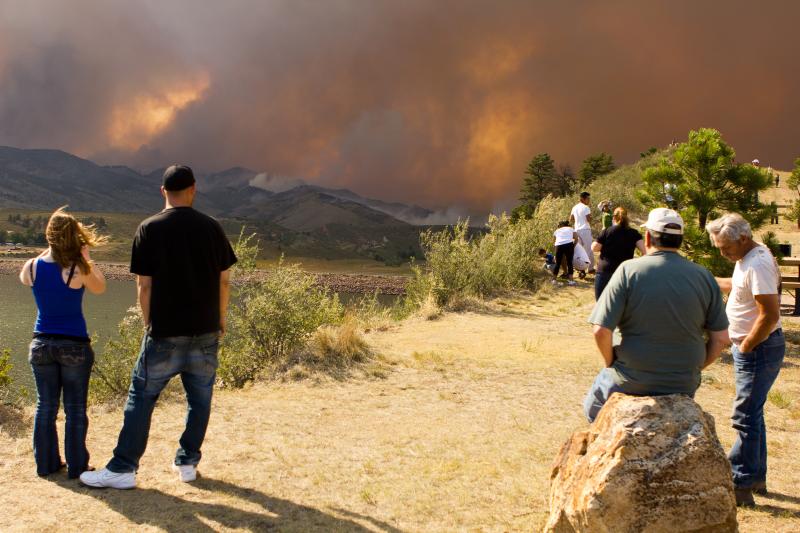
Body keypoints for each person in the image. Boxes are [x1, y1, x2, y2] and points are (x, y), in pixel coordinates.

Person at [81, 165, 237, 489]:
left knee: (141, 398)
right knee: (200, 400)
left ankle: (124, 468)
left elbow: (144, 286)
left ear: (162, 191)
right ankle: (188, 462)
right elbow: (224, 282)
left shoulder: (149, 228)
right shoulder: (213, 228)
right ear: (194, 189)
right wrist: (220, 319)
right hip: (206, 332)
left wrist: (147, 323)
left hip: (165, 331)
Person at [583, 208, 729, 422]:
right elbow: (722, 339)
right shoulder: (704, 276)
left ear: (649, 236)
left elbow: (601, 330)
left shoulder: (628, 271)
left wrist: (611, 363)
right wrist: (692, 370)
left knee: (592, 411)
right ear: (680, 240)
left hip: (630, 377)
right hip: (684, 383)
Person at [19, 207, 107, 478]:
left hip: (41, 344)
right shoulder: (77, 270)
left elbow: (26, 282)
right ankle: (77, 467)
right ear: (74, 237)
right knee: (75, 409)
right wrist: (85, 259)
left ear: (49, 235)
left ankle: (46, 465)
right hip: (74, 346)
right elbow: (100, 288)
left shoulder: (31, 266)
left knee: (45, 407)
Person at [706, 213, 785, 507]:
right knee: (754, 413)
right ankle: (756, 476)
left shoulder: (759, 263)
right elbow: (740, 286)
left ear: (742, 238)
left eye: (726, 248)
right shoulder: (746, 259)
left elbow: (770, 314)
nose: (723, 253)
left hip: (758, 348)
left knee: (745, 415)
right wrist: (709, 280)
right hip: (754, 347)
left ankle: (740, 481)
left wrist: (748, 345)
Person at [591, 207, 646, 300]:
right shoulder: (634, 233)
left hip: (605, 270)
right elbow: (645, 251)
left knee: (601, 303)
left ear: (614, 218)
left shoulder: (607, 231)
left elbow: (595, 248)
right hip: (625, 272)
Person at [570, 192, 595, 273]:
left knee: (579, 251)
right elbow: (588, 219)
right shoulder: (586, 207)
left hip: (576, 230)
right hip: (585, 230)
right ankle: (588, 268)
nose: (589, 200)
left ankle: (582, 268)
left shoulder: (574, 207)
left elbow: (571, 219)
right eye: (588, 198)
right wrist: (591, 218)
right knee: (588, 250)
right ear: (582, 199)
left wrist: (578, 221)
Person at [552, 221, 577, 286]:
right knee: (569, 262)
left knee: (558, 263)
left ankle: (554, 280)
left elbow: (554, 242)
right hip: (569, 245)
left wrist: (555, 252)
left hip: (559, 245)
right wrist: (573, 246)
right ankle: (571, 281)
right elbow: (576, 238)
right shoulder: (570, 228)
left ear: (560, 225)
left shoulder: (556, 231)